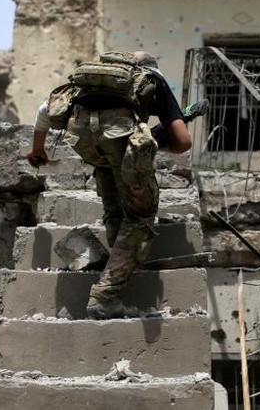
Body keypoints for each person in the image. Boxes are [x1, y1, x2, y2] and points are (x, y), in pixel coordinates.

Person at [26, 51, 192, 319]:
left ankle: (117, 262)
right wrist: (154, 140)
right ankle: (104, 295)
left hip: (86, 145)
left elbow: (45, 109)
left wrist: (37, 149)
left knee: (115, 208)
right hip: (120, 144)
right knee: (139, 218)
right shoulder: (151, 80)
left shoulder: (89, 81)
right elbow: (183, 142)